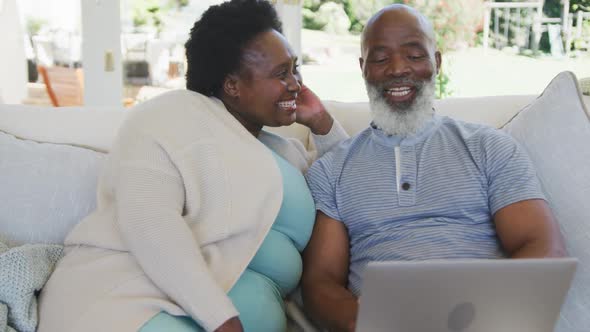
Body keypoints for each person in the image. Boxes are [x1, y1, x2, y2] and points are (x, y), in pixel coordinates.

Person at [37, 1, 347, 332]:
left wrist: (323, 124)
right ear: (232, 86)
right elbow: (149, 222)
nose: (296, 84)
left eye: (295, 69)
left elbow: (353, 183)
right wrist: (222, 321)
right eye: (281, 73)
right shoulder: (170, 116)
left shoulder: (287, 151)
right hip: (133, 305)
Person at [301, 4, 567, 332]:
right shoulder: (331, 170)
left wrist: (484, 316)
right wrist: (364, 321)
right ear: (363, 69)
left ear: (436, 62)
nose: (398, 69)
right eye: (381, 58)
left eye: (414, 55)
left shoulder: (490, 147)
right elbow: (320, 283)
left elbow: (545, 248)